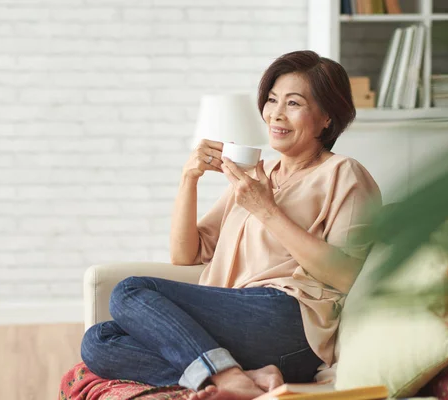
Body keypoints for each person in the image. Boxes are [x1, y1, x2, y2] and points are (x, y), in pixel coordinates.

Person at [81, 50, 382, 400]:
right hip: (237, 319)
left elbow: (346, 274)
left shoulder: (343, 173)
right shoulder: (257, 174)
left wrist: (266, 209)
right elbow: (186, 255)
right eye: (271, 100)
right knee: (99, 341)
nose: (276, 114)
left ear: (327, 117)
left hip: (291, 321)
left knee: (130, 291)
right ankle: (243, 377)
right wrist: (188, 179)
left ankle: (223, 375)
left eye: (294, 103)